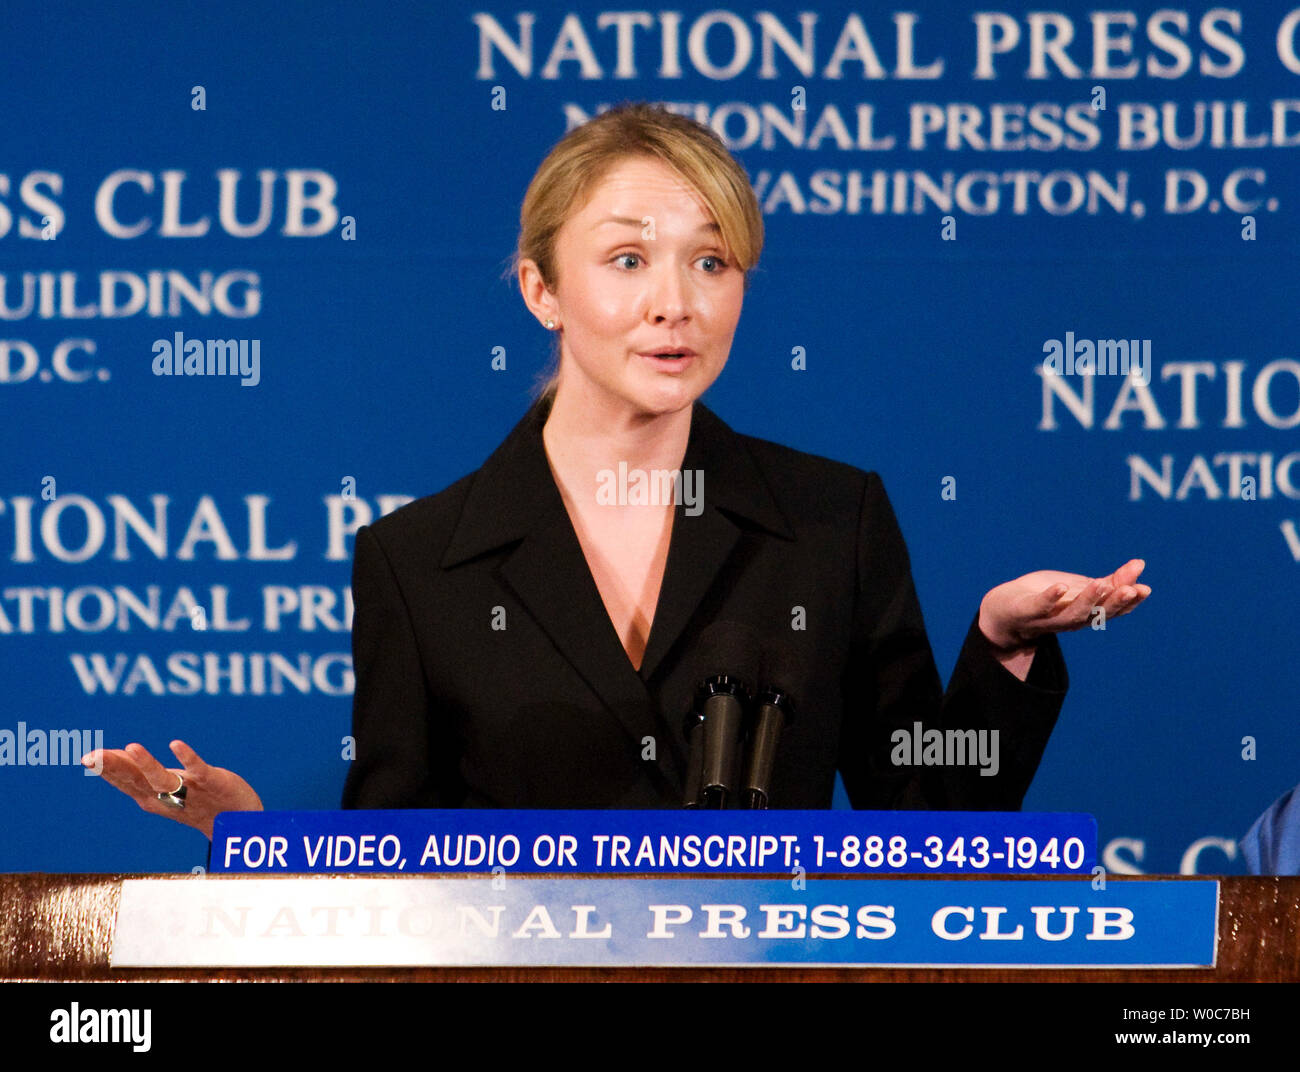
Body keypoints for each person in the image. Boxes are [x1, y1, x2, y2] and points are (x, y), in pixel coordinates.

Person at [84, 103, 1150, 839]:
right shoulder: (415, 562)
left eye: (712, 260)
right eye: (629, 258)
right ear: (541, 289)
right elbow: (399, 876)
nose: (674, 302)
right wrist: (259, 840)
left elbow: (932, 837)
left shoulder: (834, 521)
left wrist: (999, 651)